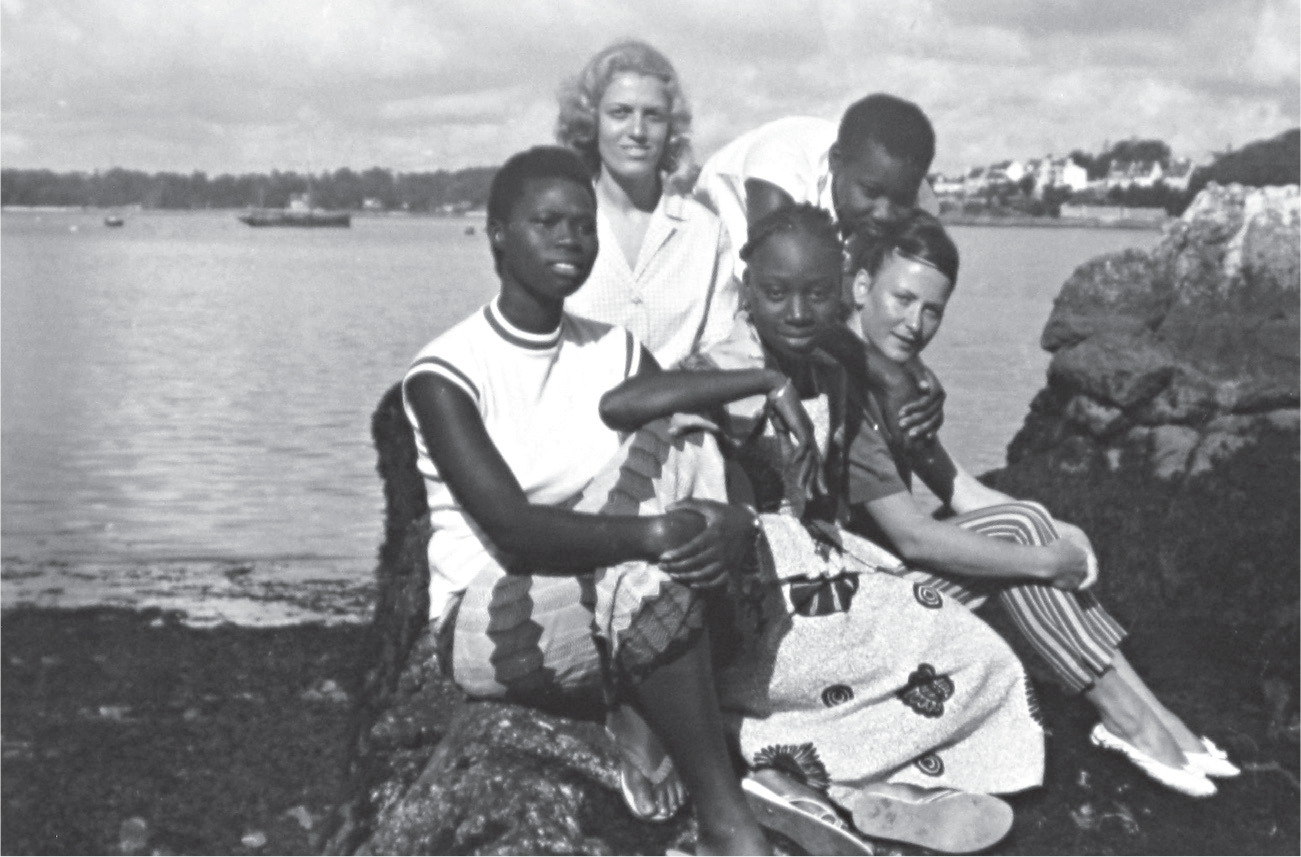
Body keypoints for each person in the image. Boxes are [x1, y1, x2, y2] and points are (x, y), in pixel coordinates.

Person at [600, 204, 1045, 854]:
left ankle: (854, 783)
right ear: (745, 287)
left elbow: (827, 491)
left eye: (817, 293)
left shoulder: (831, 366)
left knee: (978, 656)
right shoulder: (718, 364)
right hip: (761, 598)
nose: (798, 312)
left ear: (842, 288)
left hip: (819, 565)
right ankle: (797, 760)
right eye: (776, 293)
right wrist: (761, 380)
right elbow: (621, 404)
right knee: (911, 646)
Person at [402, 146, 776, 854]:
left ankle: (635, 700)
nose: (571, 239)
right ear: (497, 234)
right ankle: (725, 814)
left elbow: (684, 445)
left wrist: (735, 510)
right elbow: (514, 533)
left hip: (599, 571)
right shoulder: (446, 373)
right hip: (490, 610)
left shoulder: (614, 350)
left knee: (679, 429)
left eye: (582, 224)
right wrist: (660, 535)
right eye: (547, 222)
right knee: (652, 575)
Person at [838, 209, 1242, 799]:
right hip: (853, 614)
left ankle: (1149, 714)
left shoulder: (897, 379)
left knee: (1030, 523)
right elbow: (913, 537)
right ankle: (1128, 720)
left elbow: (959, 489)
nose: (914, 322)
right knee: (1025, 536)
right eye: (901, 299)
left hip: (886, 587)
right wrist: (1045, 559)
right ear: (859, 287)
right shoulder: (841, 386)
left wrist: (1059, 529)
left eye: (932, 310)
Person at [556, 39, 736, 368]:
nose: (637, 130)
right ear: (591, 122)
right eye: (620, 113)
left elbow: (721, 350)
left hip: (684, 414)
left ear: (670, 129)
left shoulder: (707, 234)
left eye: (653, 115)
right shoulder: (558, 228)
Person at [693, 92, 940, 282]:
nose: (884, 213)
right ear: (835, 161)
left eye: (901, 199)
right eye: (870, 192)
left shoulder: (917, 197)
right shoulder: (779, 175)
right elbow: (774, 279)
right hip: (726, 208)